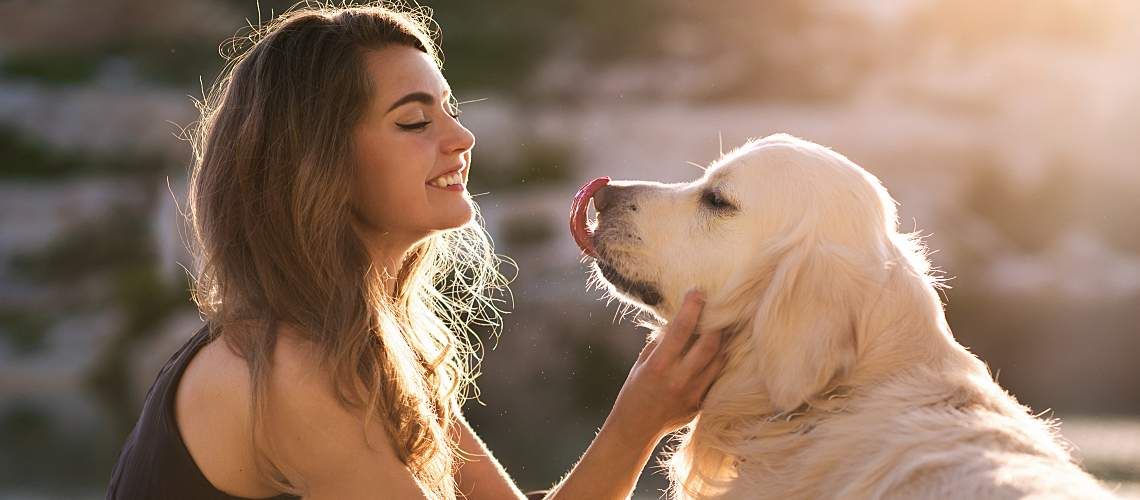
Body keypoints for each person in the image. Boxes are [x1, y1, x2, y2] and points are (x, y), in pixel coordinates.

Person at [106, 3, 725, 499]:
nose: (462, 137)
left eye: (448, 110)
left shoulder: (370, 343)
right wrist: (636, 423)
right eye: (413, 121)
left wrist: (642, 414)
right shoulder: (292, 372)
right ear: (318, 166)